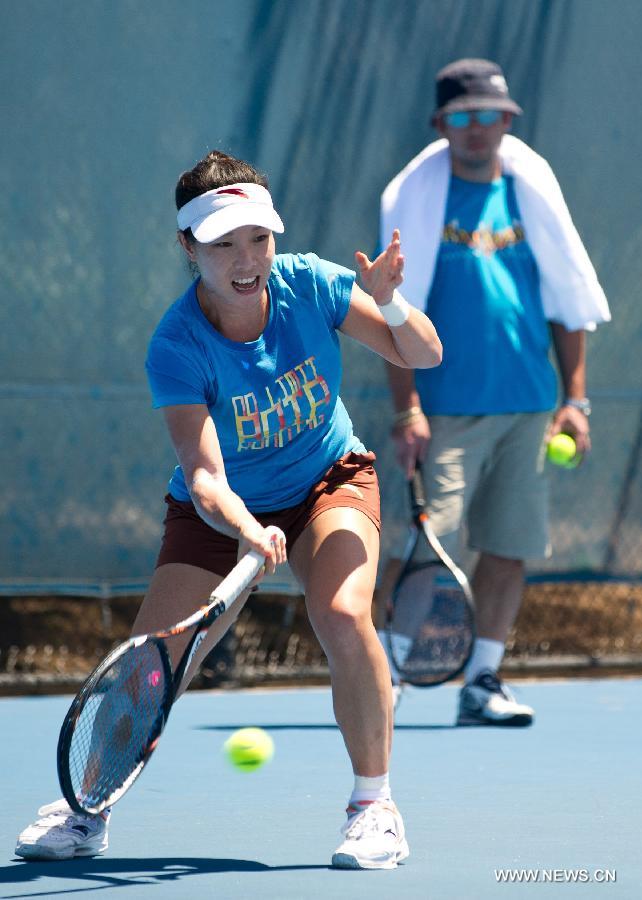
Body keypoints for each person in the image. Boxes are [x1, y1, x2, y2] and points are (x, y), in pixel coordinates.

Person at [15, 150, 442, 868]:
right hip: (219, 512)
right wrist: (247, 530)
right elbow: (205, 476)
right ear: (188, 247)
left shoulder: (311, 285)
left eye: (258, 239)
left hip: (327, 480)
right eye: (223, 243)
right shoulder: (177, 345)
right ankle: (88, 809)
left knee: (342, 614)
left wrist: (391, 299)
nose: (246, 259)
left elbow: (423, 355)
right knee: (150, 668)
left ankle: (375, 809)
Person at [378, 59, 610, 723]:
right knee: (431, 550)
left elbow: (568, 303)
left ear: (506, 120)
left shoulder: (531, 190)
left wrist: (576, 401)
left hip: (532, 408)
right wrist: (407, 411)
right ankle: (385, 674)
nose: (476, 128)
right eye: (462, 116)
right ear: (441, 124)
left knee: (509, 548)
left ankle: (482, 681)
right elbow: (394, 312)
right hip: (446, 409)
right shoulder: (416, 200)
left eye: (488, 115)